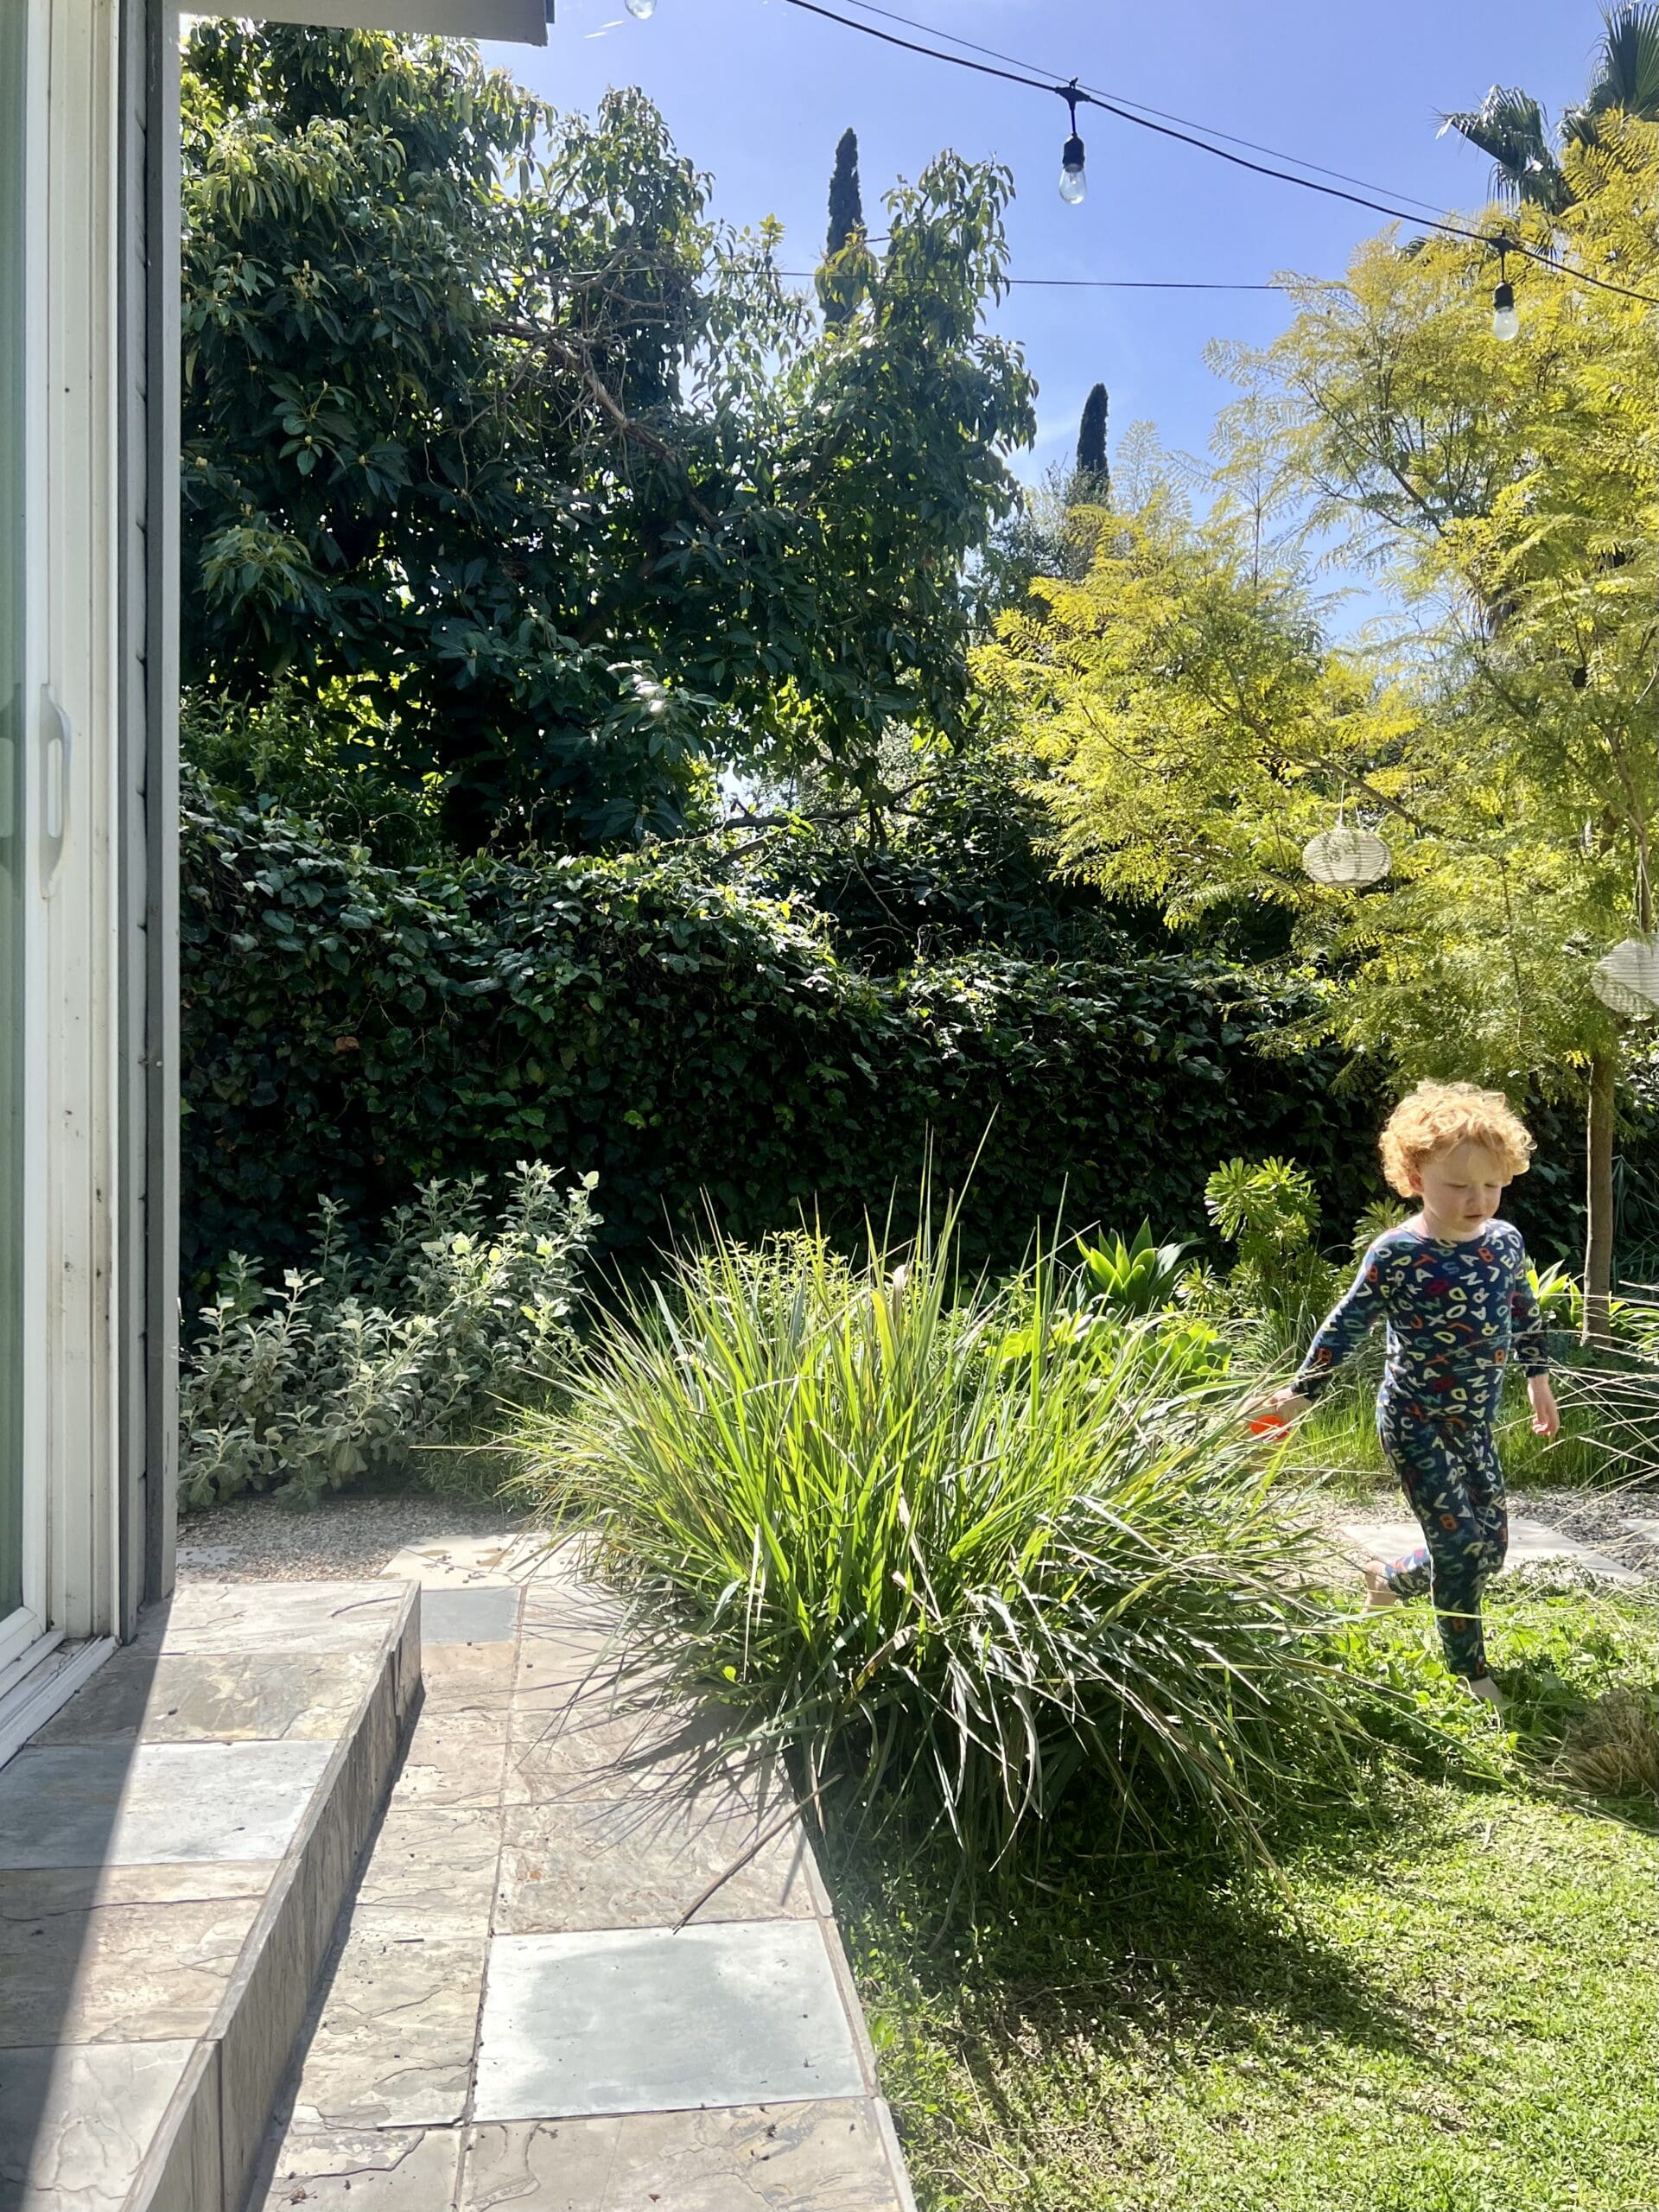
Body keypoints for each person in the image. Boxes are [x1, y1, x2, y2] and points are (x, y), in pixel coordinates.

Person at [1262, 1081, 1560, 1714]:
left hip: (1473, 1424)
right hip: (1415, 1421)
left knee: (1492, 1549)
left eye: (1492, 1184)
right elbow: (1344, 1325)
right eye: (1459, 1186)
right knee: (1458, 1548)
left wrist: (1539, 1378)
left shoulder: (1504, 1242)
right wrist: (1298, 1395)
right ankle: (1469, 1671)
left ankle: (1390, 1578)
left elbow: (1523, 1309)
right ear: (1415, 1175)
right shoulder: (1398, 1254)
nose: (1478, 1200)